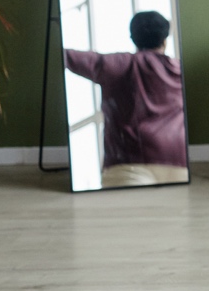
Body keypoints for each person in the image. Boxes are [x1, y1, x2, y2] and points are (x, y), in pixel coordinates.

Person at [64, 10, 189, 187]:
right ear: (165, 41)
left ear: (133, 38)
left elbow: (69, 57)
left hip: (129, 165)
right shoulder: (178, 69)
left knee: (126, 214)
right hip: (178, 162)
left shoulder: (119, 65)